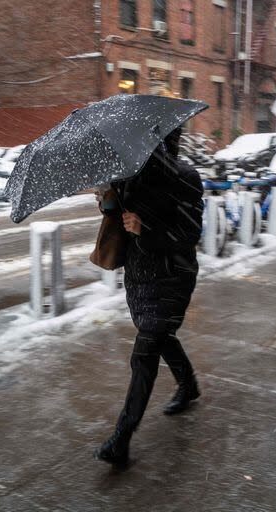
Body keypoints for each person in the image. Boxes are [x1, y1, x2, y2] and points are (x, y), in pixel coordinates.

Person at [94, 128, 204, 467]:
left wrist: (148, 228)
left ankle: (121, 438)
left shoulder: (184, 177)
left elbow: (190, 232)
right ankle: (188, 385)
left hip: (173, 273)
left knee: (145, 352)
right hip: (140, 274)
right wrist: (109, 200)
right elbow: (118, 216)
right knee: (159, 336)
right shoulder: (129, 174)